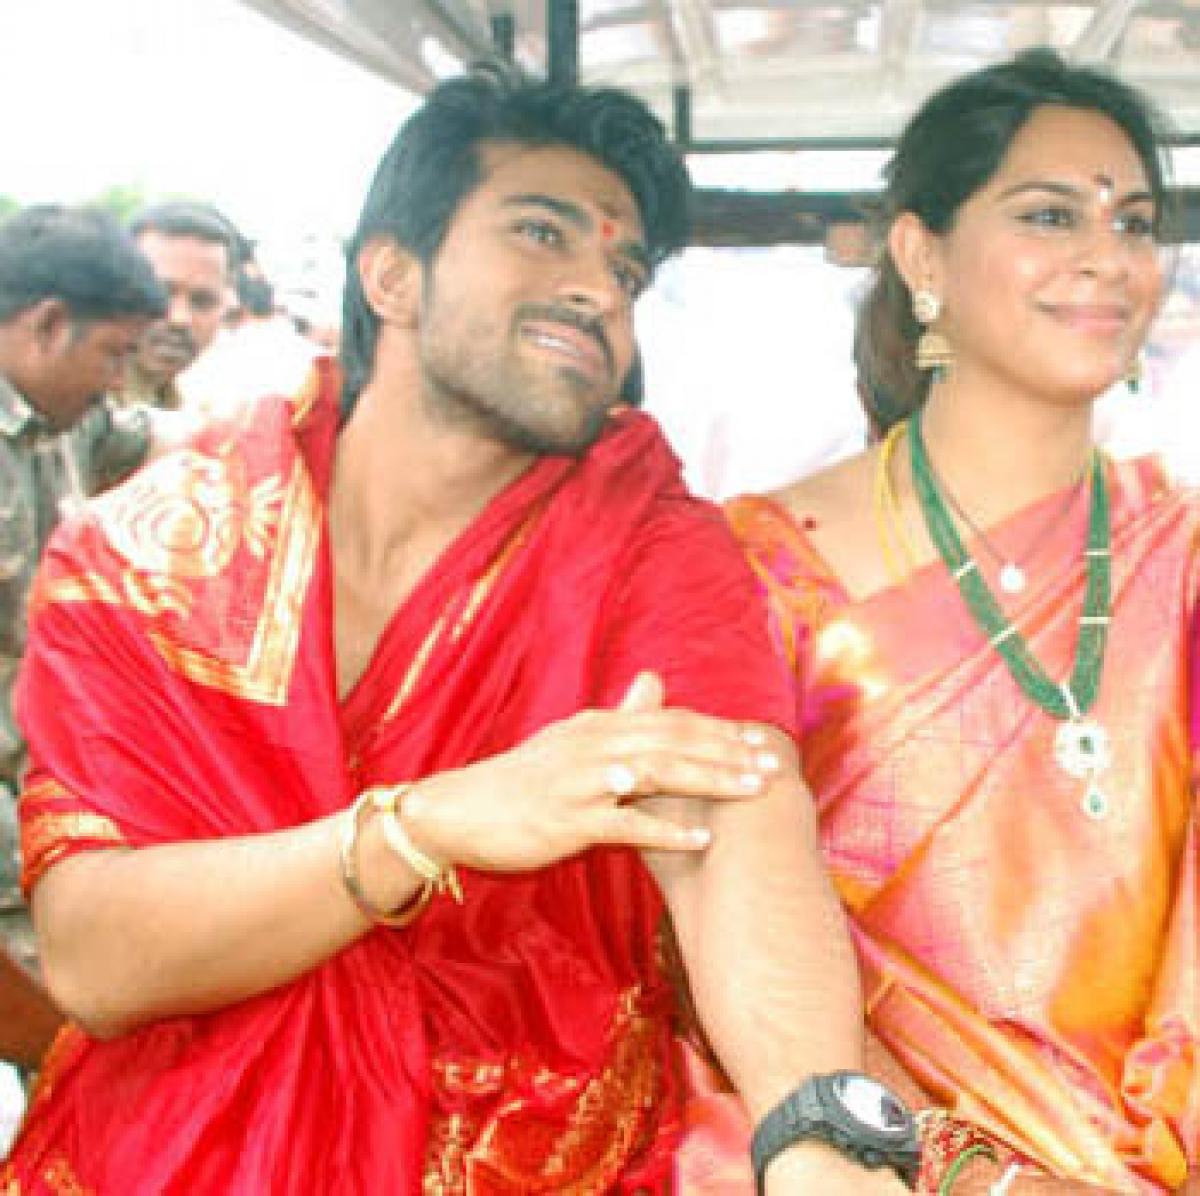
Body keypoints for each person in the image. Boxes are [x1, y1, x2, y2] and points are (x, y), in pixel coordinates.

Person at [1, 67, 915, 1193]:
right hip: (167, 1153)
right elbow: (96, 952)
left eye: (624, 270)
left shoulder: (641, 535)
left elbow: (732, 811)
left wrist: (819, 1131)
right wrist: (424, 827)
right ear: (391, 271)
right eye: (542, 232)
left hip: (522, 1151)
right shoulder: (148, 554)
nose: (597, 290)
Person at [724, 49, 1197, 1194]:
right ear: (922, 254)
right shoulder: (763, 564)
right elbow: (711, 954)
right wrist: (965, 1170)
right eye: (1049, 213)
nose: (1110, 258)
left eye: (1134, 222)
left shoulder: (1179, 558)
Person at [0, 203, 167, 1066]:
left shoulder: (66, 426)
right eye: (111, 355)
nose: (115, 382)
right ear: (47, 324)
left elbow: (171, 443)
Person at [115, 201, 240, 409]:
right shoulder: (68, 414)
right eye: (159, 293)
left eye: (202, 301)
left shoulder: (209, 416)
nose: (179, 319)